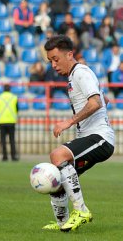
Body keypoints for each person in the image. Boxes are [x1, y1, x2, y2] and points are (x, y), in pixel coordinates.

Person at [42, 35, 114, 231]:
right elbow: (102, 99)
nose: (54, 65)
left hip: (100, 138)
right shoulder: (74, 77)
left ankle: (81, 210)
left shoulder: (80, 72)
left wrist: (68, 122)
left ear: (69, 54)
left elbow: (95, 102)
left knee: (57, 155)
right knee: (55, 177)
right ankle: (63, 224)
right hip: (90, 136)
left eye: (56, 59)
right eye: (50, 61)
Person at [0, 84, 19, 161]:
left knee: (3, 140)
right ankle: (13, 156)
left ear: (3, 89)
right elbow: (17, 108)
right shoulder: (14, 97)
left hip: (2, 121)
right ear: (10, 89)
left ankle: (4, 156)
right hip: (11, 121)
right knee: (12, 140)